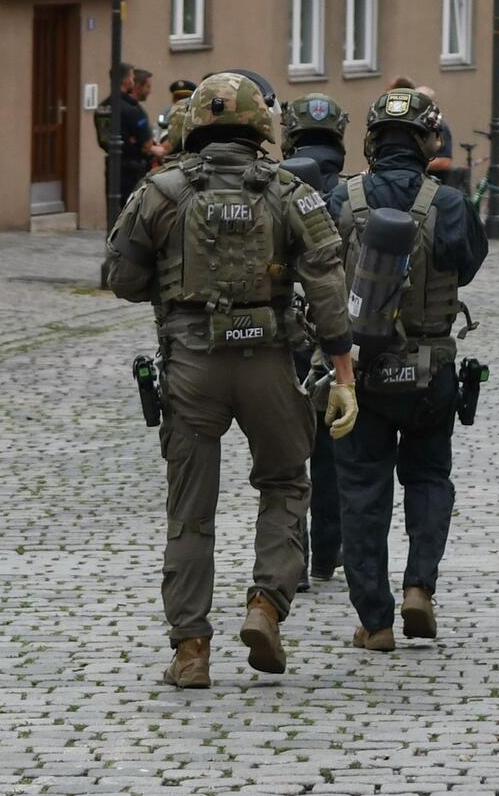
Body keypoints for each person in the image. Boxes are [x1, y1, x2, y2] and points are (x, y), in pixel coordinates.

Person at [105, 73, 358, 689]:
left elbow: (121, 277)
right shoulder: (291, 191)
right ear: (261, 127)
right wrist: (342, 369)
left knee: (190, 513)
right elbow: (326, 277)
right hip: (270, 358)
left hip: (192, 364)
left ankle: (191, 651)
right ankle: (266, 604)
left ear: (194, 126)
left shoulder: (160, 191)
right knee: (284, 483)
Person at [327, 88, 488, 652]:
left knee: (362, 490)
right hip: (430, 370)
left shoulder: (338, 198)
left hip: (360, 371)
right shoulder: (448, 202)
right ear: (427, 143)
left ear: (371, 141)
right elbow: (467, 267)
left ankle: (375, 622)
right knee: (427, 477)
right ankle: (420, 586)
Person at [280, 93, 352, 585]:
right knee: (333, 449)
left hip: (284, 334)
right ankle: (329, 552)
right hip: (338, 334)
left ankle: (294, 559)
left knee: (286, 454)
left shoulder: (276, 188)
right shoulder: (352, 194)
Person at [101, 63, 162, 211]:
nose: (133, 81)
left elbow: (103, 139)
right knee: (132, 213)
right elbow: (147, 145)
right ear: (127, 80)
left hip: (113, 167)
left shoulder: (103, 106)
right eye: (132, 77)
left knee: (114, 214)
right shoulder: (132, 109)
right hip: (133, 170)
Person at [158, 77, 198, 158]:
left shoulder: (198, 114)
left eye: (185, 99)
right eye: (178, 99)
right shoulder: (167, 113)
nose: (181, 103)